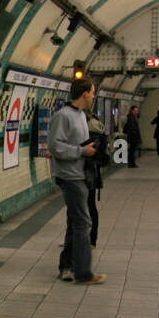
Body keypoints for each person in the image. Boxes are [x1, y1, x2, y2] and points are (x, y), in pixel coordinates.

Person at [44, 78, 105, 286]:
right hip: (70, 177)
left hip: (81, 174)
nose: (94, 96)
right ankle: (84, 272)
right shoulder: (63, 116)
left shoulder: (81, 116)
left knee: (74, 222)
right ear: (85, 94)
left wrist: (91, 150)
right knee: (83, 223)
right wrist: (81, 151)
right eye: (93, 92)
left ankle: (67, 267)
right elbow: (55, 146)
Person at [84, 109, 108, 248]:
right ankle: (92, 238)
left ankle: (88, 238)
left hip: (85, 172)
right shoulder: (97, 126)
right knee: (91, 206)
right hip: (93, 173)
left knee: (84, 207)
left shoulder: (87, 128)